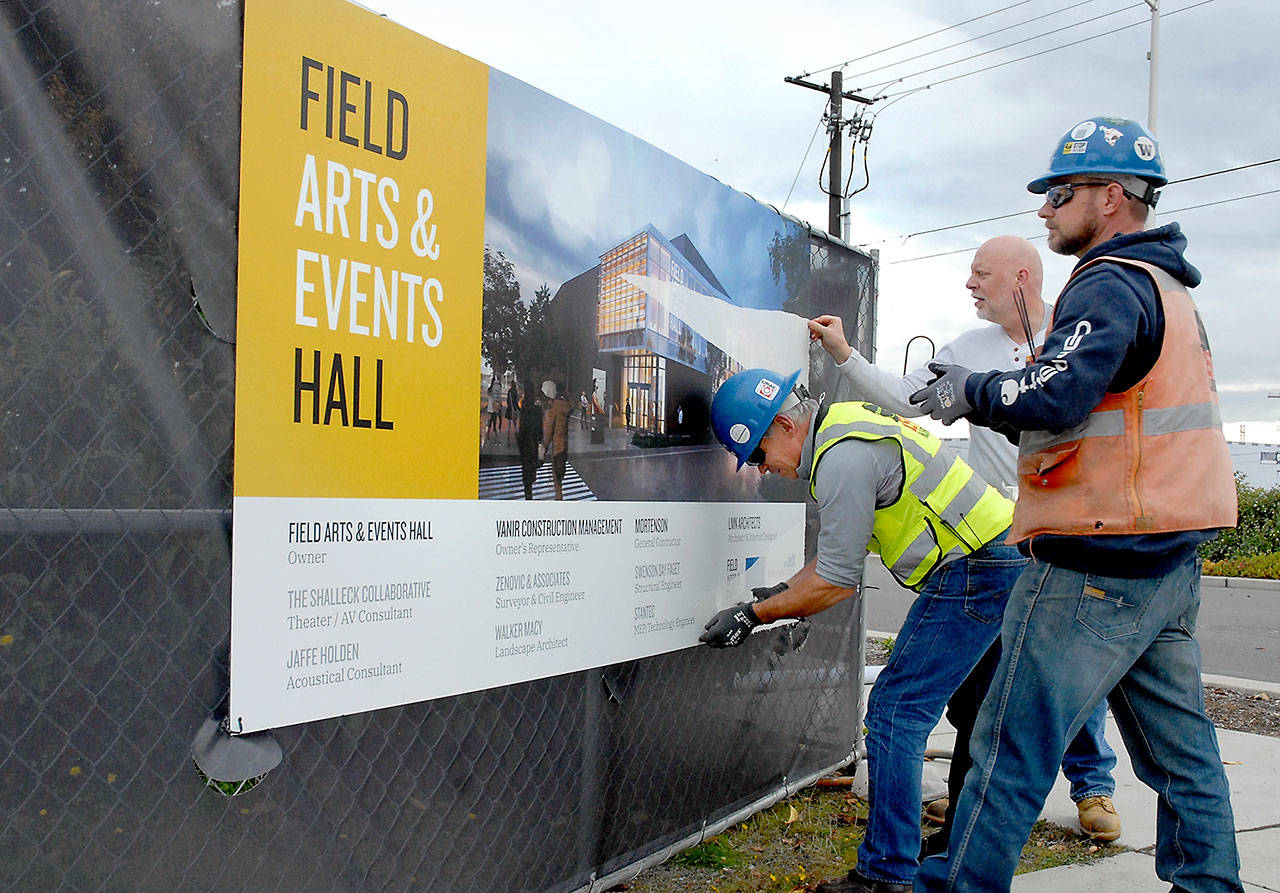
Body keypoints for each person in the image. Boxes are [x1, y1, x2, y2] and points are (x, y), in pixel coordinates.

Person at [910, 116, 1240, 891]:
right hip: (1165, 562)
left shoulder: (1110, 278)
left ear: (1113, 199)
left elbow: (1057, 394)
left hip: (1094, 565)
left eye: (1061, 192)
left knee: (1008, 753)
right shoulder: (1171, 288)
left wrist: (969, 389)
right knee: (1184, 759)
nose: (1045, 208)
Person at [808, 235, 1122, 847]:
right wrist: (845, 355)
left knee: (1065, 668)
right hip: (1001, 534)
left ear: (1022, 277)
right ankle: (967, 817)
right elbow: (908, 397)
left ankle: (1092, 787)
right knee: (984, 688)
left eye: (981, 273)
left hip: (1070, 528)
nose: (970, 283)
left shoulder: (1076, 338)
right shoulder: (968, 348)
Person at [699, 368, 1024, 893]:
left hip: (975, 568)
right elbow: (832, 562)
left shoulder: (841, 460)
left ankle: (886, 875)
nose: (763, 470)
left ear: (784, 425)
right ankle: (958, 851)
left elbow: (834, 582)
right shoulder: (848, 428)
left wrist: (755, 615)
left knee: (896, 710)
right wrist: (779, 592)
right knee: (976, 714)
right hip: (997, 555)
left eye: (758, 455)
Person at [542, 380, 572, 501]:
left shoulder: (554, 409)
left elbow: (549, 431)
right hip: (565, 446)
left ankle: (559, 503)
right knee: (560, 477)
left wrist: (544, 447)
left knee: (557, 482)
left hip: (557, 448)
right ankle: (559, 500)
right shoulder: (566, 406)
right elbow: (572, 406)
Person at [516, 380, 543, 500]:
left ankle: (528, 498)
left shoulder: (524, 409)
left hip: (525, 447)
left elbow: (521, 430)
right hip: (532, 448)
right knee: (530, 477)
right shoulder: (537, 410)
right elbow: (540, 433)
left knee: (527, 479)